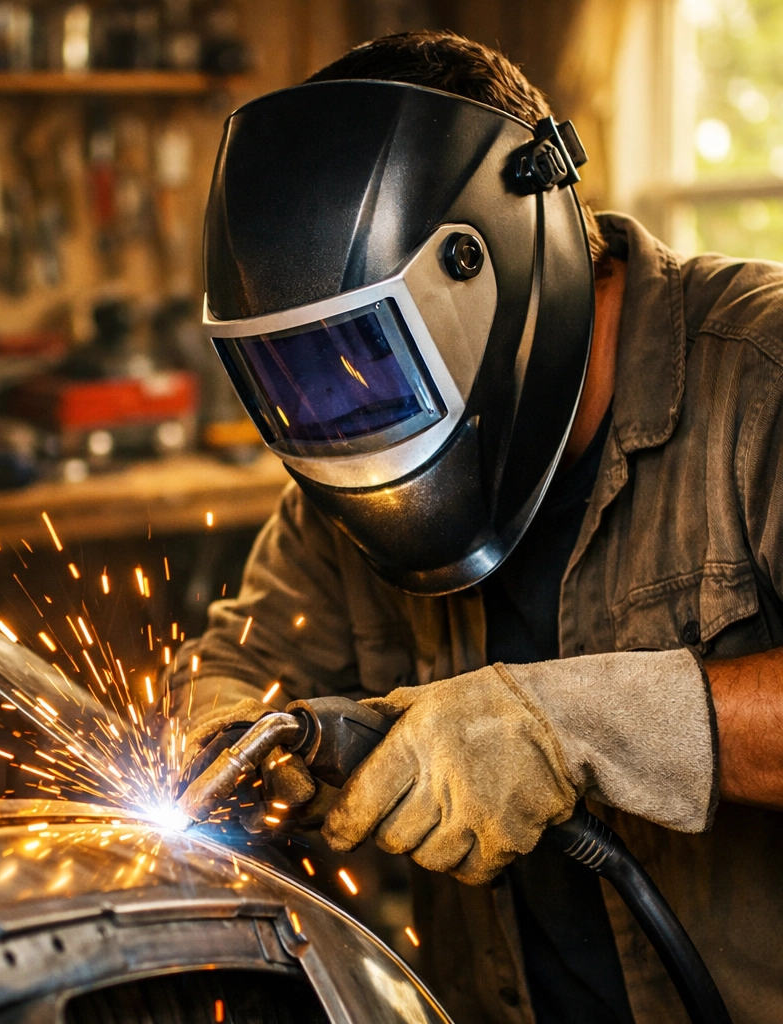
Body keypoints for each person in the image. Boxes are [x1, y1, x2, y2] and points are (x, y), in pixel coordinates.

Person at [171, 30, 783, 1024]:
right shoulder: (342, 480)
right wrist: (231, 742)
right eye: (304, 377)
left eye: (368, 354)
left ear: (492, 256)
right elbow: (236, 668)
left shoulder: (761, 371)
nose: (346, 412)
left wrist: (578, 727)